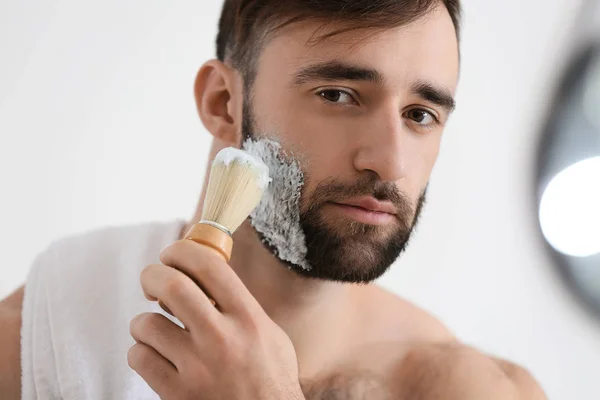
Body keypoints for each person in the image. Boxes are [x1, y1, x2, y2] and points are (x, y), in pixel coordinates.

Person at [0, 0, 547, 398]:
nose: (391, 162)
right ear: (223, 104)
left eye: (420, 115)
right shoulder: (45, 332)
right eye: (338, 95)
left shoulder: (472, 389)